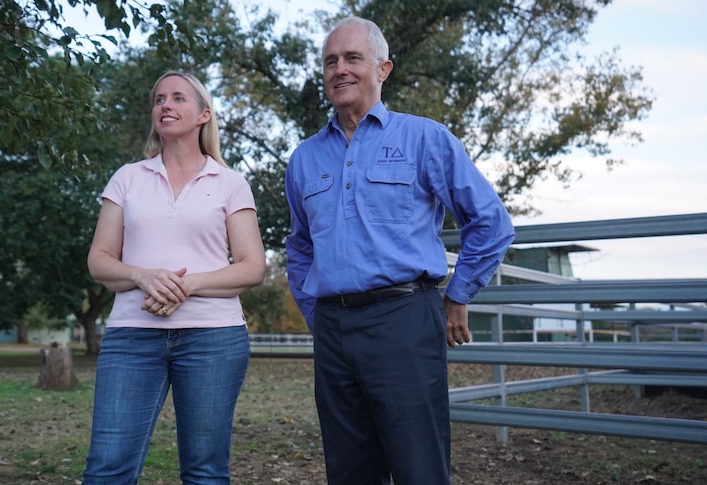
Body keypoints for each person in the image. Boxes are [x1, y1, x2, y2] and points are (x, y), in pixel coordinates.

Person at [285, 17, 515, 485]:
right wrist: (318, 315)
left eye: (353, 58)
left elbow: (490, 222)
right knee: (348, 470)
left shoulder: (425, 139)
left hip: (405, 320)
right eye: (331, 61)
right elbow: (300, 246)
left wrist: (458, 294)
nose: (340, 69)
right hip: (333, 330)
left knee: (418, 467)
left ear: (383, 68)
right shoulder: (304, 158)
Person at [83, 71, 266, 484]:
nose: (165, 105)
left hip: (213, 339)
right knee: (107, 468)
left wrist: (185, 285)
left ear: (204, 114)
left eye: (178, 98)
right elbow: (100, 260)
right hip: (131, 337)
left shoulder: (230, 183)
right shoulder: (127, 178)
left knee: (205, 471)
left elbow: (253, 266)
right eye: (159, 99)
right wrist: (143, 276)